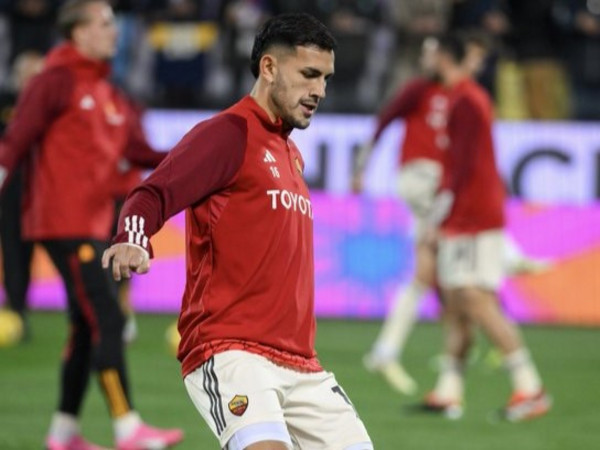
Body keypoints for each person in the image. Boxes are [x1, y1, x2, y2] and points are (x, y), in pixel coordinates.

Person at [103, 12, 374, 450]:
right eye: (309, 75)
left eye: (325, 78)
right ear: (269, 67)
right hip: (232, 351)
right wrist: (132, 238)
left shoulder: (290, 153)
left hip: (302, 365)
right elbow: (152, 193)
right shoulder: (229, 134)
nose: (320, 91)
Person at [0, 1, 183, 449]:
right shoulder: (54, 80)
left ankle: (63, 433)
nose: (114, 32)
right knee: (107, 318)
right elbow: (16, 140)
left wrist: (197, 161)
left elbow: (140, 151)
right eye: (104, 24)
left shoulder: (107, 91)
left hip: (94, 224)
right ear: (78, 32)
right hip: (64, 223)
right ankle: (127, 427)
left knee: (86, 326)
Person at [354, 33, 549, 396]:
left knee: (433, 278)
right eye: (474, 57)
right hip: (429, 182)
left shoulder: (467, 99)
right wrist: (362, 166)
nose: (476, 64)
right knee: (463, 286)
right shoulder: (435, 93)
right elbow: (389, 123)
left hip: (452, 196)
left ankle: (424, 372)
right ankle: (510, 256)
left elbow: (471, 160)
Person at [421, 33, 551, 421]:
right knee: (457, 301)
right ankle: (449, 390)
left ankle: (530, 387)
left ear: (445, 57)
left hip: (471, 217)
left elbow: (460, 167)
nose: (427, 59)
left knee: (473, 296)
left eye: (433, 53)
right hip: (472, 213)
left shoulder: (465, 100)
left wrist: (440, 216)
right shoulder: (466, 98)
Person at [0, 51, 44, 341]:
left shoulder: (50, 107)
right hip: (11, 189)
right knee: (14, 251)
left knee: (29, 252)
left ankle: (84, 315)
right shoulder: (5, 103)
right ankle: (16, 311)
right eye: (27, 75)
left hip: (41, 190)